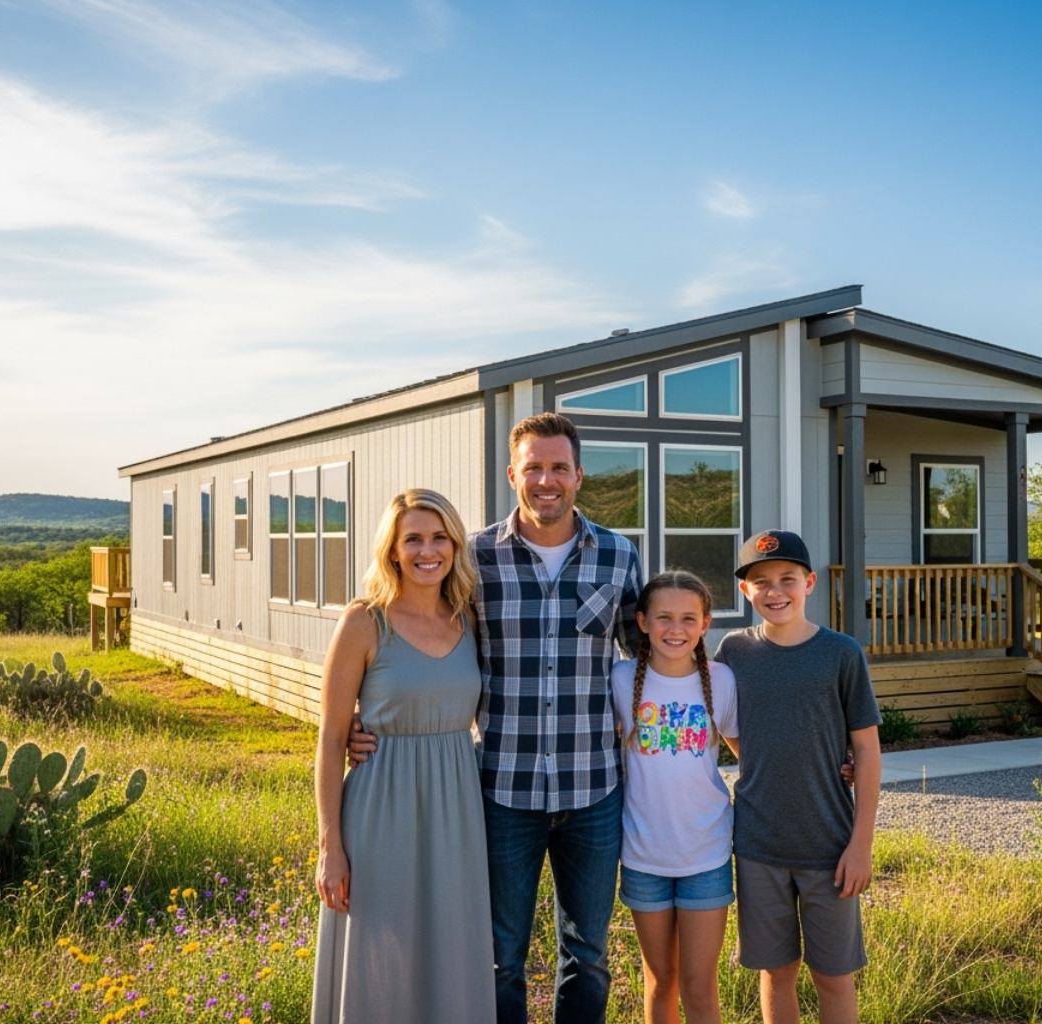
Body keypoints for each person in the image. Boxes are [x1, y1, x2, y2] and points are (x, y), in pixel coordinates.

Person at [348, 412, 643, 1024]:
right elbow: (421, 637)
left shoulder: (619, 556)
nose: (546, 480)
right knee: (500, 957)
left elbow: (652, 654)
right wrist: (367, 717)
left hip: (594, 789)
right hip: (501, 791)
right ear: (512, 474)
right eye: (533, 467)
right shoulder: (473, 558)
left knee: (587, 955)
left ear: (580, 475)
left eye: (559, 467)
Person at [311, 489, 495, 1024]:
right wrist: (331, 848)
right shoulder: (365, 622)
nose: (427, 550)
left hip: (457, 810)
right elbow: (328, 738)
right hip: (379, 809)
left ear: (456, 545)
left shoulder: (468, 619)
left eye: (439, 537)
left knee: (451, 949)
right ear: (392, 549)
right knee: (379, 952)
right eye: (412, 538)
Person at [713, 529, 882, 1024]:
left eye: (787, 579)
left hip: (828, 844)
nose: (775, 591)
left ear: (809, 583)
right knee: (775, 972)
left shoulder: (841, 653)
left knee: (833, 976)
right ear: (746, 591)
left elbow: (867, 750)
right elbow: (729, 724)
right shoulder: (733, 652)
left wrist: (861, 844)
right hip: (759, 844)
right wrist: (760, 756)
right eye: (761, 581)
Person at [610, 571, 739, 1024]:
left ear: (705, 624)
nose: (675, 628)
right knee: (660, 980)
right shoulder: (621, 680)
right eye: (663, 617)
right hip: (644, 855)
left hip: (706, 853)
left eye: (688, 618)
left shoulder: (721, 680)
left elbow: (752, 756)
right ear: (642, 622)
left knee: (699, 985)